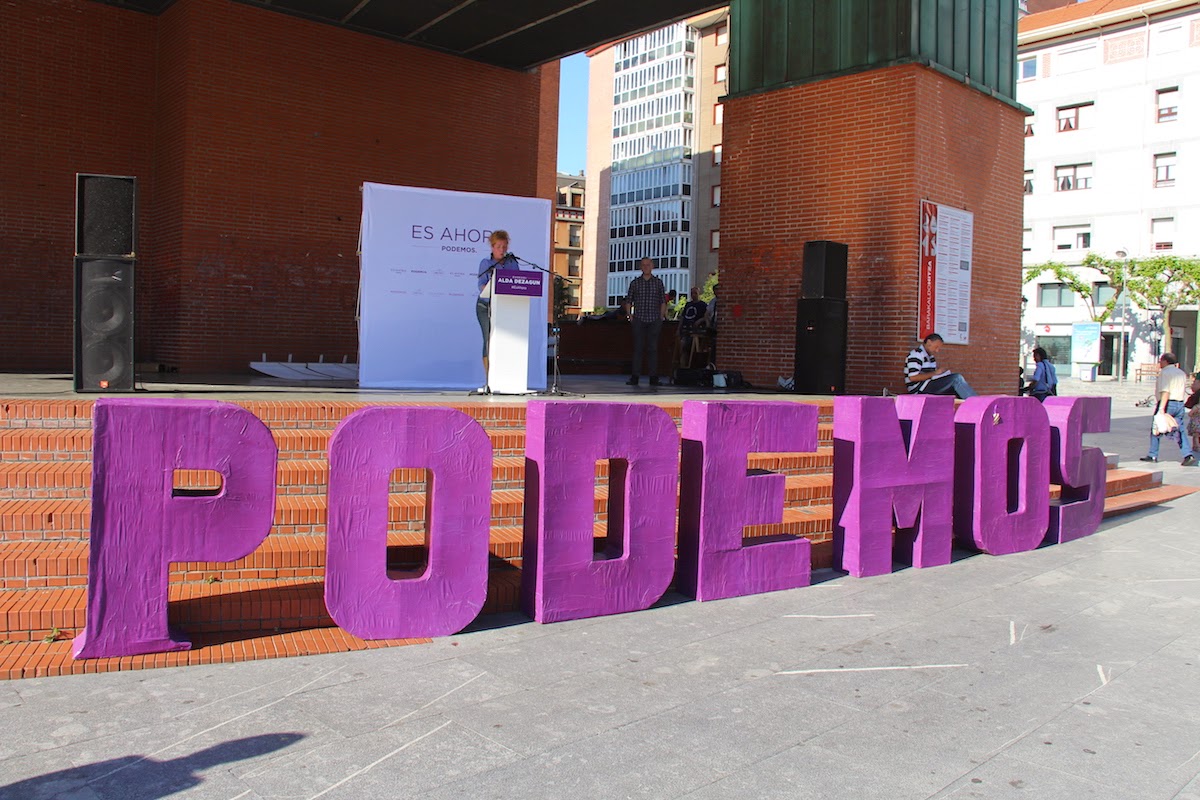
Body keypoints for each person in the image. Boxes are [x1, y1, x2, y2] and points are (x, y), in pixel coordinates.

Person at [1141, 353, 1196, 466]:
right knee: (1179, 430)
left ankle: (1153, 454)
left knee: (1156, 428)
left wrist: (1161, 409)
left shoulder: (1165, 373)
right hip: (1179, 403)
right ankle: (1187, 454)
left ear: (1165, 361)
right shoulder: (1181, 373)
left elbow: (1166, 391)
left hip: (1167, 403)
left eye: (1161, 361)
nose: (1159, 363)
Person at [623, 257, 667, 386]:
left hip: (654, 319)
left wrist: (661, 316)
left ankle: (653, 377)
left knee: (653, 349)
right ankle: (635, 377)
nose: (646, 267)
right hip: (639, 319)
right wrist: (629, 315)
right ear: (641, 267)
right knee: (638, 348)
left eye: (648, 265)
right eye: (644, 265)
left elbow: (662, 301)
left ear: (652, 266)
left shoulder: (658, 283)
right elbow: (628, 300)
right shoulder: (635, 283)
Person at [476, 230, 514, 383]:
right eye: (499, 246)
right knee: (489, 340)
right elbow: (481, 286)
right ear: (492, 247)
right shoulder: (486, 263)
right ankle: (489, 380)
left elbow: (517, 281)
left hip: (507, 308)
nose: (502, 250)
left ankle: (505, 378)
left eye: (504, 247)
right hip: (486, 307)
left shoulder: (512, 262)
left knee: (507, 341)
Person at [904, 333, 977, 399]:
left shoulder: (931, 357)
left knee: (955, 390)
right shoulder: (916, 354)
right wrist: (935, 373)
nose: (937, 351)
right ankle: (977, 403)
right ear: (929, 342)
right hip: (919, 389)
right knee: (956, 379)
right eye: (936, 347)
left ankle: (968, 411)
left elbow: (932, 376)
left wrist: (942, 375)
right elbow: (913, 377)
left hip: (928, 385)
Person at [677, 287, 708, 364]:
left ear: (699, 294)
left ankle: (692, 364)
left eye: (695, 293)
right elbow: (683, 317)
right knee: (682, 345)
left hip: (696, 331)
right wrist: (678, 329)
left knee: (693, 348)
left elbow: (706, 316)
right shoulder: (688, 304)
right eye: (692, 293)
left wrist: (700, 320)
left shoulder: (703, 305)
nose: (693, 295)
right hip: (686, 330)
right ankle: (682, 365)